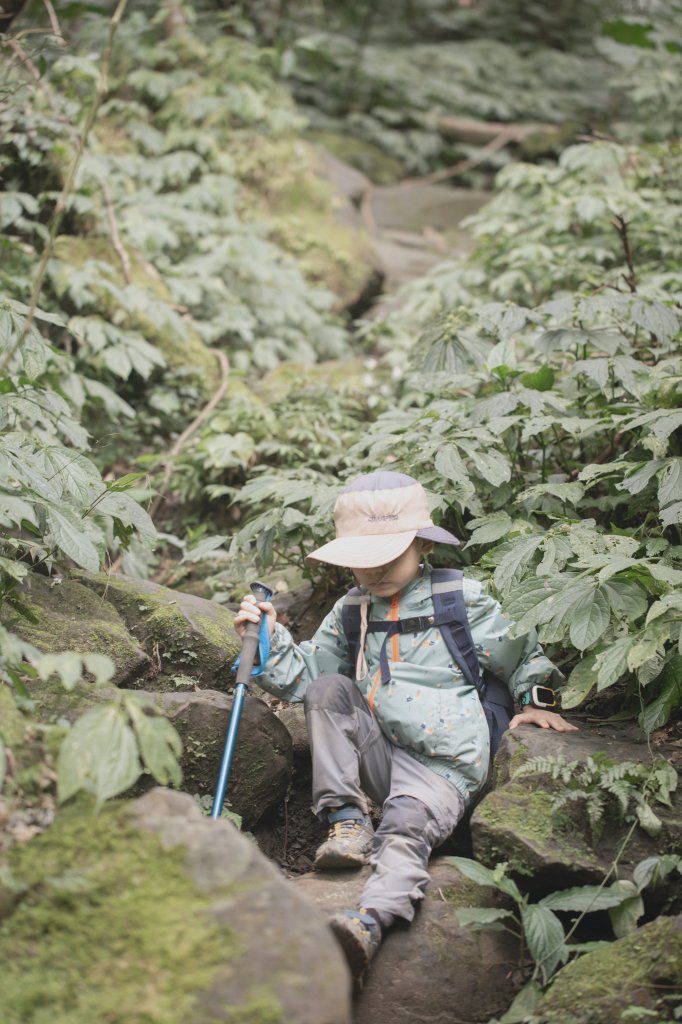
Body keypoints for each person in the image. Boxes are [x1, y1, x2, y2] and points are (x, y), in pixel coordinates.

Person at [234, 471, 577, 983]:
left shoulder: (457, 597)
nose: (374, 572)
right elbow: (309, 677)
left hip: (443, 765)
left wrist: (537, 701)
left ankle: (369, 921)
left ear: (419, 543)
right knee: (328, 691)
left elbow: (520, 651)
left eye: (388, 556)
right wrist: (267, 639)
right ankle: (346, 820)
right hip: (380, 755)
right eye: (362, 561)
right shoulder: (350, 611)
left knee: (405, 829)